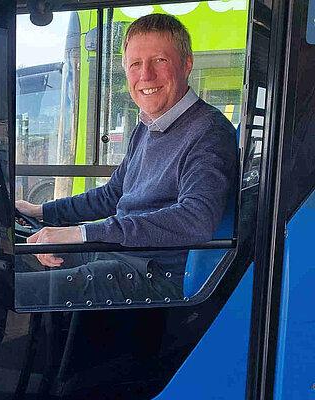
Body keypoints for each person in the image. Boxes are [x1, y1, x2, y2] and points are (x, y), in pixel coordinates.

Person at [15, 13, 237, 308]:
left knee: (11, 291)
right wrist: (42, 211)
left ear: (186, 64)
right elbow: (113, 194)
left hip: (155, 273)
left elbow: (196, 219)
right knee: (12, 260)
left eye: (159, 60)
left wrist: (84, 232)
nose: (145, 75)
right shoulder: (147, 125)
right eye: (135, 64)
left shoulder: (208, 132)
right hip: (122, 252)